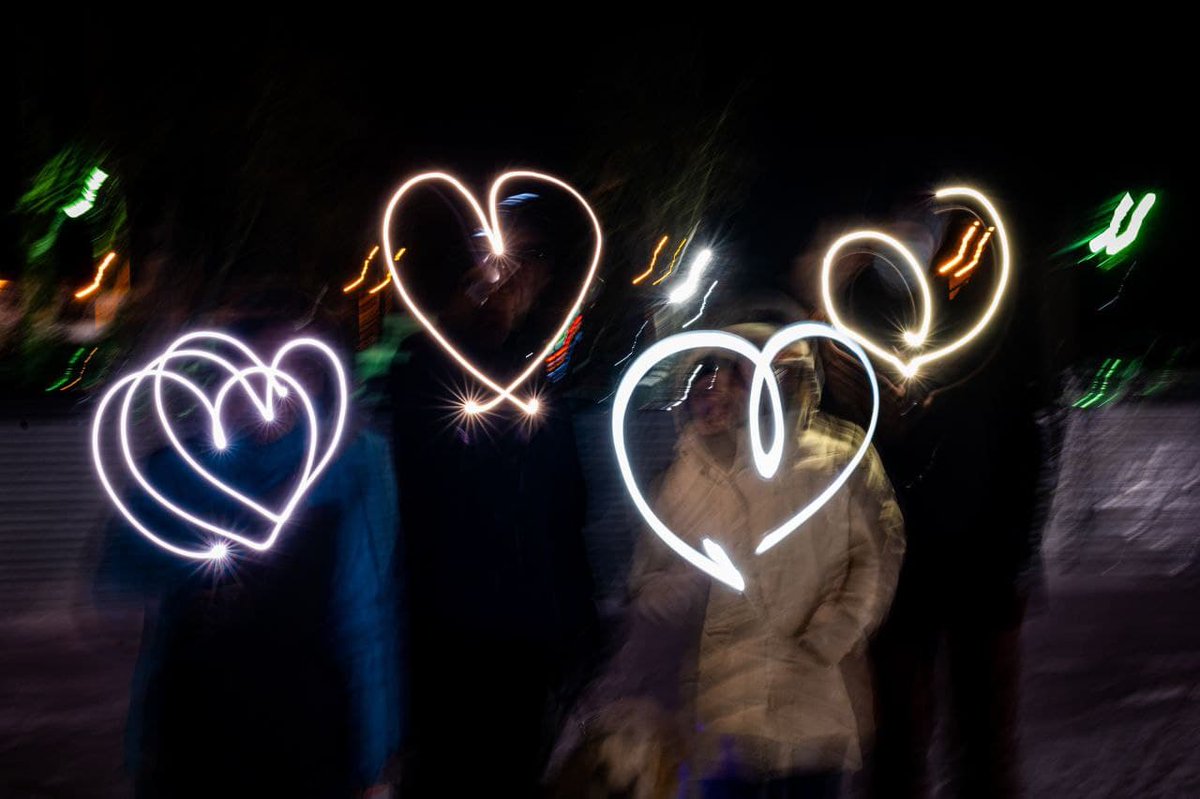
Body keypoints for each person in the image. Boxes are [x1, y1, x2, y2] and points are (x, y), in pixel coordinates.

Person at [583, 324, 905, 799]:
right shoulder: (688, 476)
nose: (721, 389)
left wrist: (831, 634)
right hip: (722, 719)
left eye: (781, 373)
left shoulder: (840, 457)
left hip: (814, 710)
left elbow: (879, 552)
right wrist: (671, 591)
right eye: (710, 377)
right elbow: (650, 576)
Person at [95, 300, 401, 798]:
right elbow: (117, 584)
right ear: (227, 376)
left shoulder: (351, 466)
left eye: (299, 367)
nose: (274, 385)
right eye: (254, 363)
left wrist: (375, 756)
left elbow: (366, 618)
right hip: (195, 733)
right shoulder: (179, 471)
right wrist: (195, 558)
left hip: (307, 736)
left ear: (322, 380)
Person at [810, 211, 1048, 798]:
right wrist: (861, 414)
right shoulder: (848, 314)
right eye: (898, 212)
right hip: (896, 576)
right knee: (896, 748)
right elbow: (829, 454)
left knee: (985, 746)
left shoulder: (985, 310)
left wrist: (1016, 549)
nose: (914, 225)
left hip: (982, 565)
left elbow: (1023, 434)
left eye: (923, 212)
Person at [389, 201, 599, 796]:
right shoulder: (429, 365)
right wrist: (465, 317)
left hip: (527, 646)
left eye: (532, 259)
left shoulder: (533, 381)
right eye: (504, 256)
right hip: (451, 647)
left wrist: (578, 630)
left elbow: (564, 512)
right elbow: (430, 483)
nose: (515, 274)